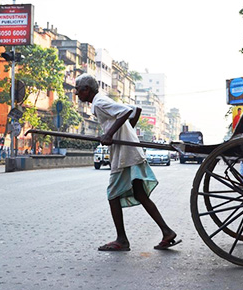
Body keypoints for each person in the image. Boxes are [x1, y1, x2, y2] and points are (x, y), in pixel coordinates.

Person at [75, 73, 181, 251]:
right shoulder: (101, 101)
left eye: (78, 90)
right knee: (140, 193)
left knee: (113, 194)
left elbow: (126, 112)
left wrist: (110, 134)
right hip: (131, 151)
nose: (77, 94)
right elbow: (136, 109)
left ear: (86, 89)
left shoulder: (100, 102)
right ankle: (166, 231)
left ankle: (122, 239)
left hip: (125, 155)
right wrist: (126, 131)